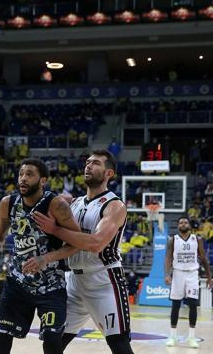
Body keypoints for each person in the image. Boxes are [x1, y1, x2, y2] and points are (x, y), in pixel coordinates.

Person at [32, 150, 135, 354]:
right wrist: (45, 256)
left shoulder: (114, 206)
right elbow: (66, 244)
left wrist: (55, 229)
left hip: (104, 280)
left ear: (109, 173)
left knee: (119, 345)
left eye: (95, 163)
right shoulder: (74, 204)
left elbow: (96, 243)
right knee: (53, 341)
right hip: (74, 281)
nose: (88, 166)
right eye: (87, 162)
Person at [0, 158, 80, 354]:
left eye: (29, 174)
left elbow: (78, 242)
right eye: (21, 174)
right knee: (2, 337)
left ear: (43, 180)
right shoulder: (8, 203)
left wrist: (46, 258)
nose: (23, 179)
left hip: (51, 284)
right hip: (17, 283)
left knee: (52, 341)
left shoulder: (56, 204)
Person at [164, 216, 212, 348]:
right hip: (178, 274)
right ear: (178, 226)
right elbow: (168, 257)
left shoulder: (197, 239)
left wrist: (209, 276)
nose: (183, 224)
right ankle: (172, 336)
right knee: (175, 305)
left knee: (193, 305)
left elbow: (203, 258)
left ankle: (191, 337)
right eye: (180, 222)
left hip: (192, 274)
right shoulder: (172, 240)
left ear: (189, 225)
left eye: (185, 222)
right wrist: (167, 274)